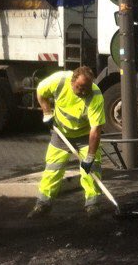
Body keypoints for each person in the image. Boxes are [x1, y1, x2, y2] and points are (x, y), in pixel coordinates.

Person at [29, 66, 107, 219]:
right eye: (80, 87)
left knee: (91, 169)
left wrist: (90, 156)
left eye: (87, 88)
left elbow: (95, 130)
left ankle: (92, 204)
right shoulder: (59, 81)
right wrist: (46, 111)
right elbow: (40, 91)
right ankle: (43, 204)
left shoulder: (95, 95)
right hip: (61, 133)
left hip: (85, 136)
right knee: (53, 168)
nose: (84, 91)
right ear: (72, 82)